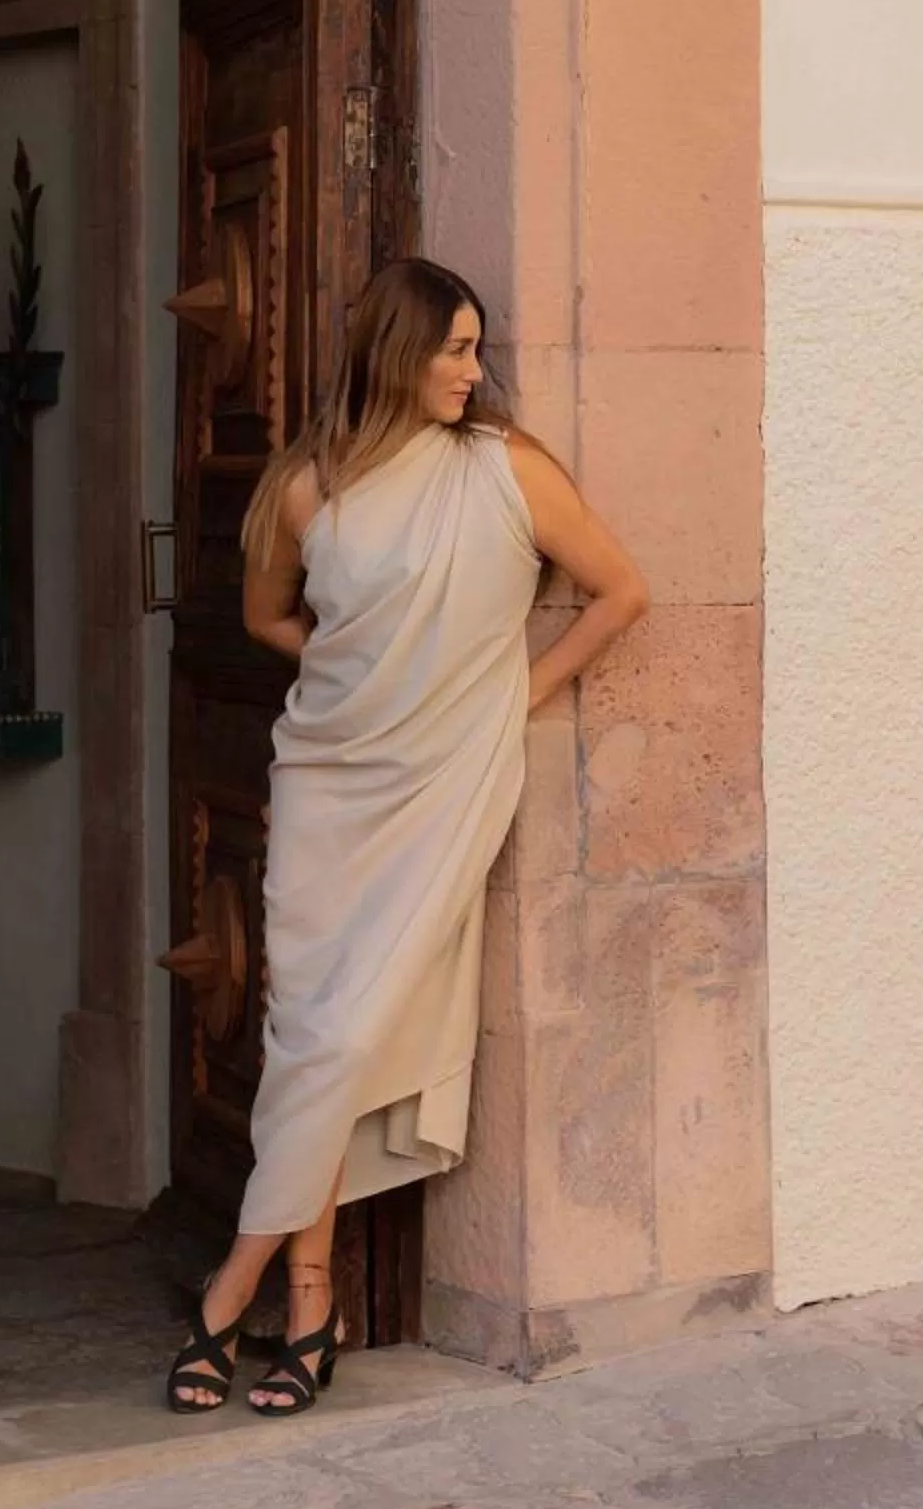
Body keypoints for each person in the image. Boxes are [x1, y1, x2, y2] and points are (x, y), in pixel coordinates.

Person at [166, 256, 648, 1417]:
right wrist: (372, 678)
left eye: (475, 349)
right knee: (310, 1036)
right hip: (330, 779)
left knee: (338, 1038)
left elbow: (620, 590)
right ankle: (314, 1304)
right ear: (396, 353)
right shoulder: (304, 484)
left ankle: (233, 1291)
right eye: (454, 349)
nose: (472, 371)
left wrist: (508, 695)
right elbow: (266, 617)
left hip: (444, 781)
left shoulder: (504, 469)